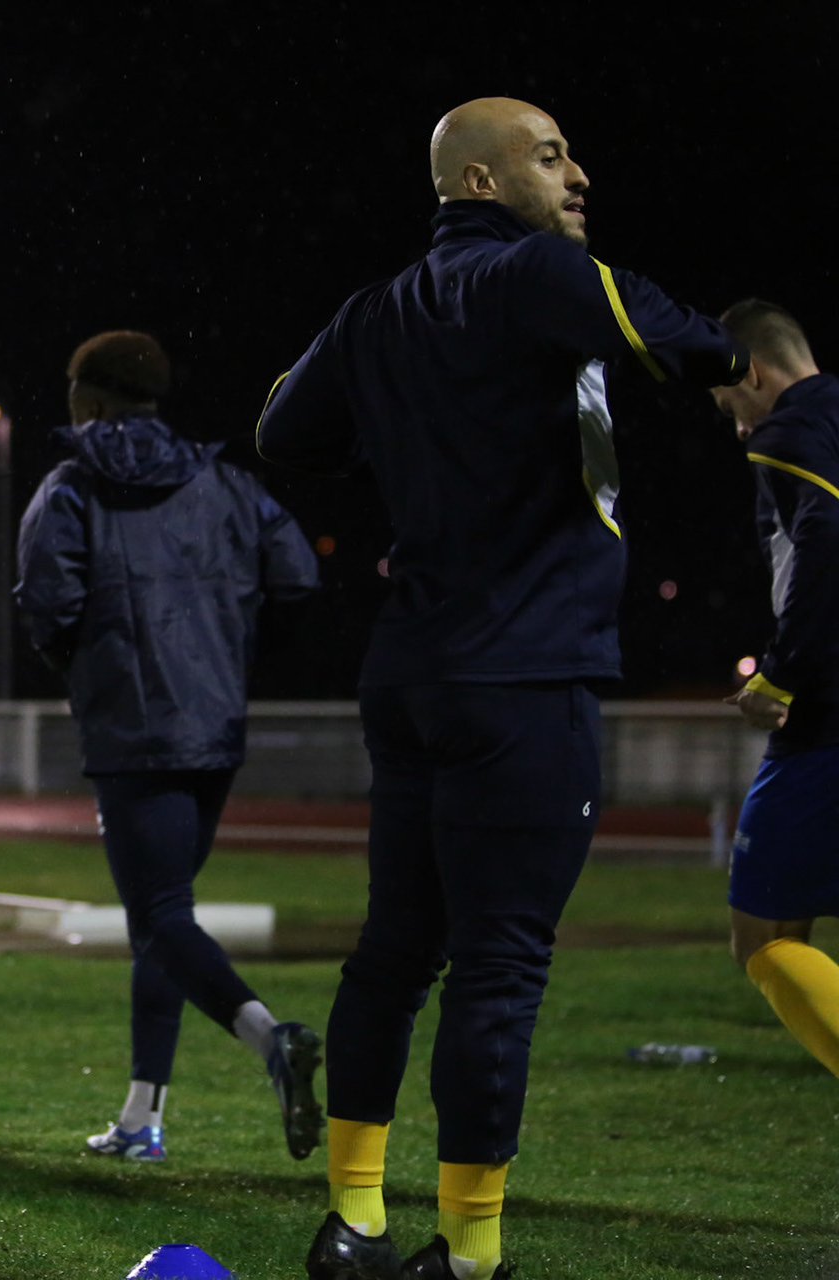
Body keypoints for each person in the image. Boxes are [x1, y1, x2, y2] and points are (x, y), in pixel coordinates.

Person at [257, 98, 749, 1279]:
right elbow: (698, 347)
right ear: (479, 180)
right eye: (550, 155)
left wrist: (415, 428)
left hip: (412, 668)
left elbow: (283, 431)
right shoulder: (536, 272)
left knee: (392, 954)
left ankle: (354, 1225)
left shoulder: (374, 309)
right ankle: (470, 1255)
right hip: (525, 671)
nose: (579, 176)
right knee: (500, 964)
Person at [14, 330, 325, 1166]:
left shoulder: (72, 485)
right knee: (165, 918)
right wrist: (225, 650)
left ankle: (270, 1038)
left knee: (158, 917)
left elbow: (46, 603)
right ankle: (141, 1116)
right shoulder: (227, 482)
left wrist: (96, 671)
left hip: (133, 731)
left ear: (88, 399)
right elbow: (297, 575)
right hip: (212, 725)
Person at [710, 300, 839, 1082]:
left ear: (752, 373)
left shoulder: (788, 430)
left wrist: (781, 675)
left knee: (760, 934)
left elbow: (826, 541)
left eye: (730, 403)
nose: (737, 428)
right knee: (794, 924)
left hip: (826, 719)